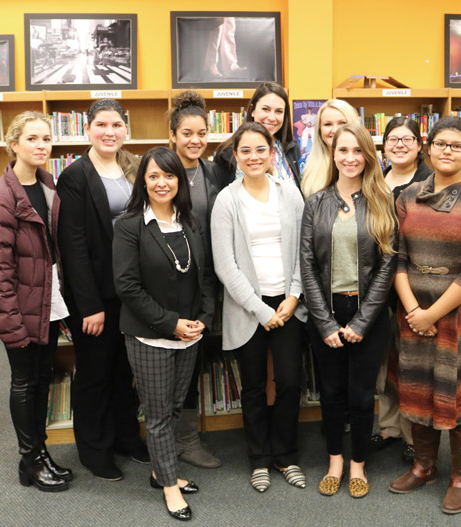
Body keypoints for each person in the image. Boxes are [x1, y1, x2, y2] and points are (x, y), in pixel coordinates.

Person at [388, 115, 461, 515]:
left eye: (457, 145)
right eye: (440, 144)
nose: (447, 151)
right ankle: (424, 466)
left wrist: (431, 312)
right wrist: (414, 311)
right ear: (427, 147)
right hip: (414, 306)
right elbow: (397, 257)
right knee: (417, 387)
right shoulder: (408, 195)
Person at [0, 111, 72, 492]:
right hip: (16, 309)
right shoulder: (1, 198)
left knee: (43, 378)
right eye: (32, 139)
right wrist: (13, 328)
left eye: (46, 139)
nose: (41, 145)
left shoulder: (46, 185)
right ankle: (29, 460)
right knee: (25, 381)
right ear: (13, 145)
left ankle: (39, 452)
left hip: (43, 301)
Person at [112, 147, 215, 521]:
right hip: (149, 335)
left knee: (173, 408)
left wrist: (203, 318)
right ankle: (170, 487)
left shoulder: (189, 222)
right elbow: (127, 287)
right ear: (143, 181)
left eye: (169, 176)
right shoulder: (128, 226)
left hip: (189, 334)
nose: (161, 182)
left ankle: (161, 470)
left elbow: (203, 276)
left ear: (178, 181)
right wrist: (171, 323)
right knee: (156, 416)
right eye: (153, 176)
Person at [300, 123, 397, 498]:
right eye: (343, 151)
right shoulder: (316, 202)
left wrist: (362, 320)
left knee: (360, 394)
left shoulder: (381, 202)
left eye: (358, 151)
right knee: (332, 392)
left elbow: (388, 264)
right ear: (333, 154)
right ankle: (335, 461)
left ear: (368, 156)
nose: (350, 158)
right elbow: (307, 264)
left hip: (367, 313)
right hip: (326, 311)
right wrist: (324, 321)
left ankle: (358, 463)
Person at [211, 122, 308, 493]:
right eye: (246, 151)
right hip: (247, 307)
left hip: (288, 303)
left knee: (289, 382)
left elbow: (304, 251)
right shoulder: (226, 200)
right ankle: (259, 459)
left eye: (260, 150)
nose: (253, 157)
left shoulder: (290, 194)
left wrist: (293, 297)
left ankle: (285, 455)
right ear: (236, 156)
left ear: (272, 154)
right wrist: (261, 310)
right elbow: (225, 265)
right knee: (252, 385)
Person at [56, 99, 147, 482]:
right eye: (101, 125)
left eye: (116, 125)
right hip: (95, 296)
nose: (109, 131)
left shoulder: (133, 169)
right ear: (88, 129)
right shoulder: (75, 175)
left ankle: (125, 436)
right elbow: (72, 245)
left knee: (125, 372)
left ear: (126, 129)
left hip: (130, 292)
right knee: (94, 373)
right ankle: (95, 450)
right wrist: (89, 305)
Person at [167, 89, 228, 469]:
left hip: (208, 281)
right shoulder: (158, 169)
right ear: (173, 134)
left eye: (201, 133)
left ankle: (187, 437)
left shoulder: (214, 172)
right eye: (187, 133)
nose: (195, 141)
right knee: (169, 361)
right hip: (171, 282)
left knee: (195, 361)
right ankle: (170, 438)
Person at [371, 117, 432, 463]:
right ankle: (389, 426)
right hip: (379, 287)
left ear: (419, 145)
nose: (400, 145)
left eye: (407, 139)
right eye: (393, 139)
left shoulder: (428, 181)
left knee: (409, 363)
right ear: (383, 146)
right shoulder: (375, 181)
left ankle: (413, 434)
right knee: (383, 361)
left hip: (414, 284)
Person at [215, 82, 300, 186]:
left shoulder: (291, 148)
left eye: (279, 111)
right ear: (252, 110)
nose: (272, 117)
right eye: (265, 109)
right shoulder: (227, 154)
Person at [299, 99, 360, 197]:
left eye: (342, 123)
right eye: (328, 124)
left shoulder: (368, 160)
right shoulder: (304, 163)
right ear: (319, 130)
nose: (335, 130)